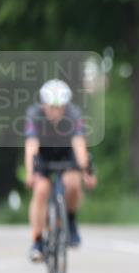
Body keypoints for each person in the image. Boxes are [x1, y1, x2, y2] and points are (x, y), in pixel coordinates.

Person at [25, 79, 96, 262]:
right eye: (51, 107)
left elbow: (79, 145)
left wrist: (86, 172)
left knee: (73, 184)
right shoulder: (34, 115)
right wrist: (30, 173)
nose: (55, 112)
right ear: (43, 104)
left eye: (59, 108)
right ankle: (37, 240)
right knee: (41, 190)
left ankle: (70, 219)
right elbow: (31, 146)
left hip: (66, 154)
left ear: (65, 106)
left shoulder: (73, 115)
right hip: (44, 154)